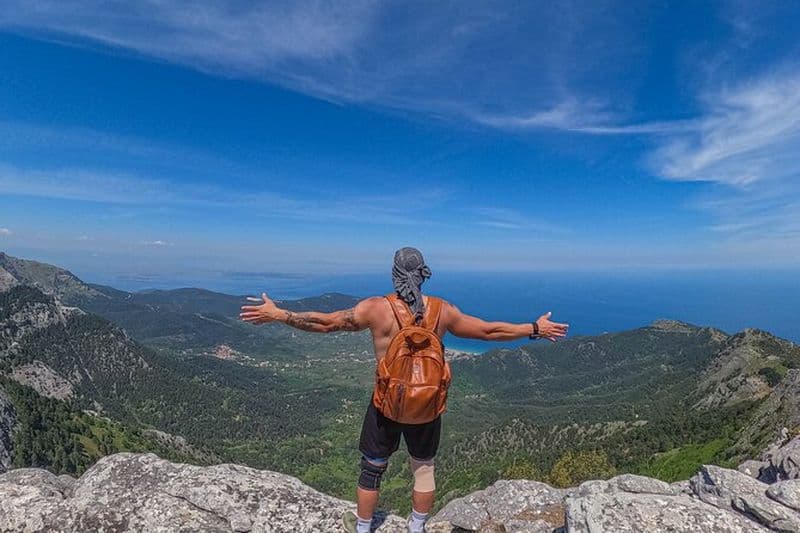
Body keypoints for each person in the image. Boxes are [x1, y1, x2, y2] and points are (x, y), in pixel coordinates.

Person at [240, 247, 569, 533]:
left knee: (372, 467)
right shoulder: (443, 311)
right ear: (423, 275)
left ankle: (364, 526)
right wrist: (535, 328)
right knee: (423, 468)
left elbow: (325, 323)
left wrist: (279, 314)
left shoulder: (376, 308)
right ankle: (416, 527)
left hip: (386, 405)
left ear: (394, 274)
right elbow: (487, 331)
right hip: (426, 406)